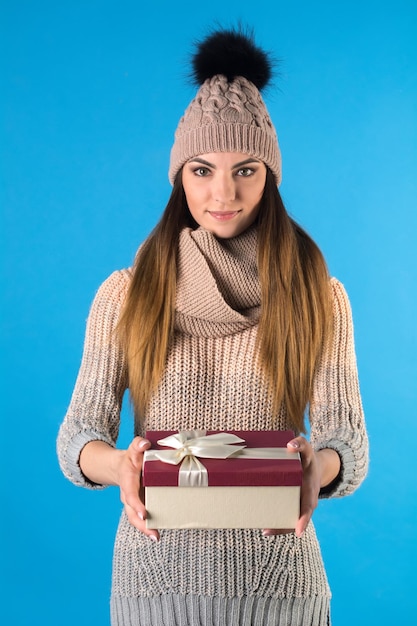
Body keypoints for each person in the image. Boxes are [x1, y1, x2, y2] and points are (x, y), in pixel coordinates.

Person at [57, 26, 369, 626]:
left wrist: (316, 468)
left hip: (281, 585)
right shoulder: (127, 295)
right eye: (202, 170)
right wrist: (120, 464)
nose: (222, 192)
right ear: (180, 176)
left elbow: (344, 441)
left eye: (244, 170)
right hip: (156, 583)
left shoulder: (317, 296)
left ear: (270, 177)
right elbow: (78, 437)